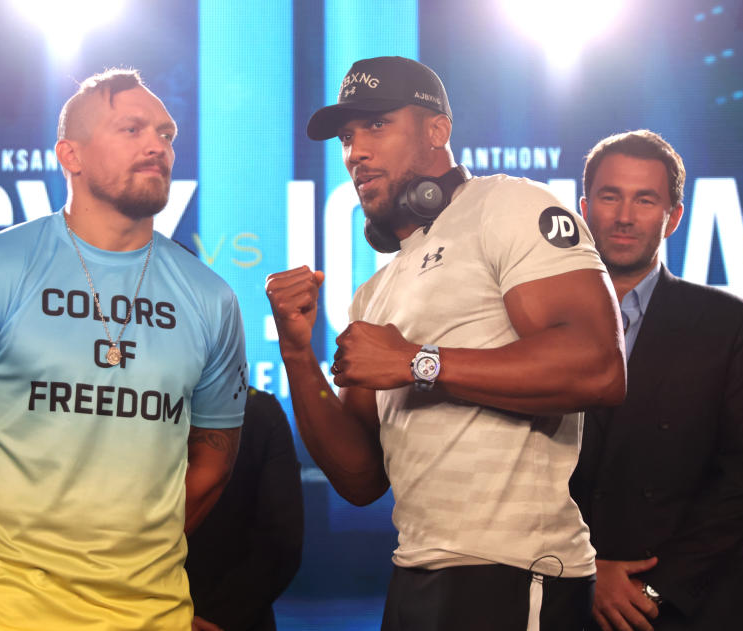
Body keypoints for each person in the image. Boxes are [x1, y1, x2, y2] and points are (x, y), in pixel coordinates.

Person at [0, 68, 248, 630]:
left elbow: (213, 463)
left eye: (166, 134)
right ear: (69, 154)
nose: (157, 145)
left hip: (155, 615)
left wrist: (132, 573)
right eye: (132, 129)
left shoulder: (211, 298)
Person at [264, 55, 626, 630]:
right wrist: (297, 354)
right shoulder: (375, 292)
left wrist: (415, 362)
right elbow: (360, 479)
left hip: (515, 571)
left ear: (438, 130)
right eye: (348, 135)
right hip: (415, 572)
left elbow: (598, 368)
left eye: (377, 125)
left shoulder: (508, 205)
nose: (356, 151)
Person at [570, 130, 743, 631]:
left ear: (673, 217)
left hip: (690, 606)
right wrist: (588, 575)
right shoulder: (533, 320)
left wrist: (652, 588)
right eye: (610, 196)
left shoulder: (729, 322)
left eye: (645, 199)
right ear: (583, 207)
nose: (625, 216)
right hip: (567, 597)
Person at [185, 386, 304, 631]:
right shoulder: (259, 410)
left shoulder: (124, 413)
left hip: (134, 611)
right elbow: (281, 541)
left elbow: (281, 541)